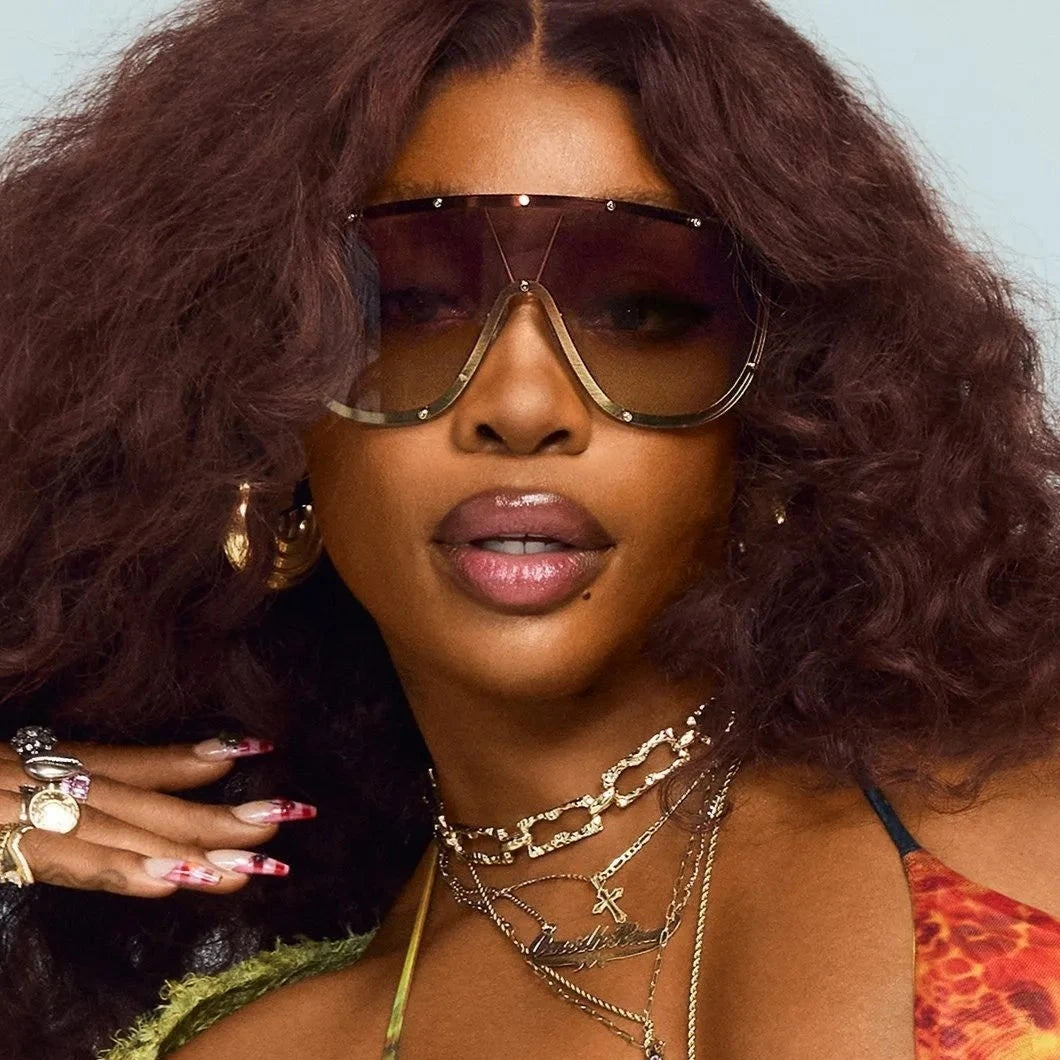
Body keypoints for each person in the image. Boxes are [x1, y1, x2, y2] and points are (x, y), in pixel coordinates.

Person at [2, 0, 1059, 1057]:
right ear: (259, 429)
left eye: (637, 313)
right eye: (412, 309)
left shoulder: (1026, 808)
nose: (520, 404)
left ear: (788, 407)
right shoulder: (271, 1047)